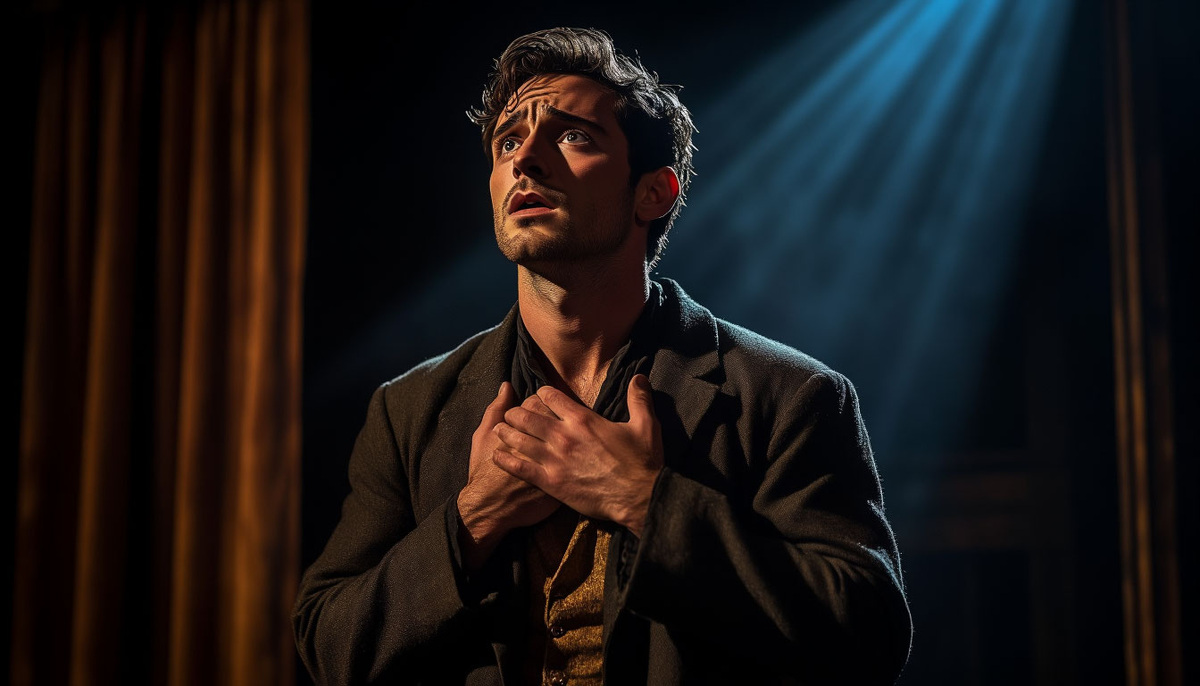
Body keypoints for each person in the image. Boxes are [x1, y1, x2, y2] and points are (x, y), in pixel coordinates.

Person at [293, 26, 913, 686]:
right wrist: (474, 518)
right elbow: (327, 646)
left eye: (572, 136)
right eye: (508, 142)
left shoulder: (789, 395)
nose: (526, 161)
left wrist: (646, 502)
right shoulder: (409, 409)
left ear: (654, 192)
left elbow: (867, 637)